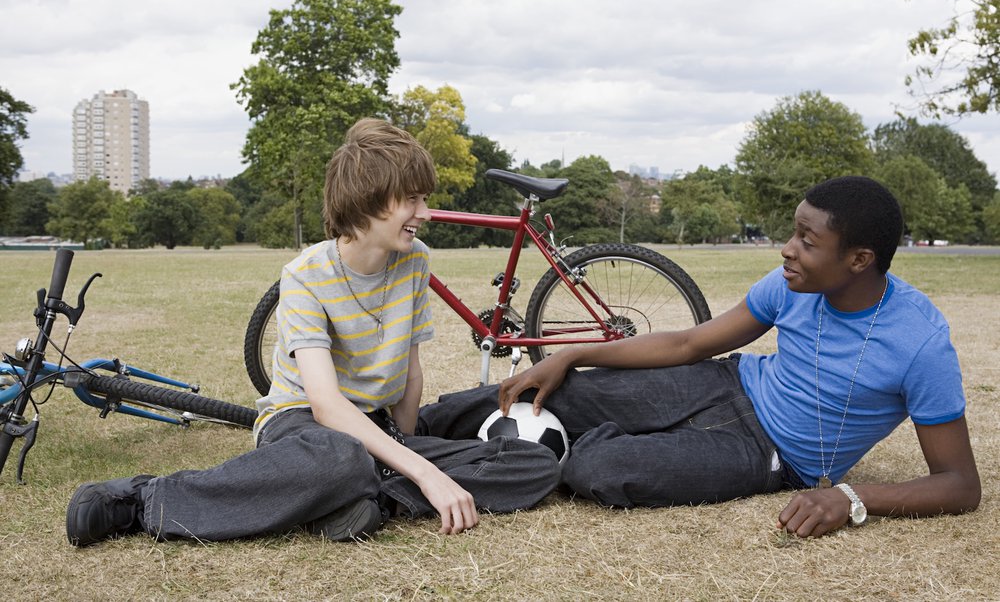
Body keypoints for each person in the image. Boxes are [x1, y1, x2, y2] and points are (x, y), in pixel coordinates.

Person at [66, 119, 560, 547]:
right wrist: (425, 472)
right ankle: (143, 500)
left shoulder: (415, 260)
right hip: (304, 426)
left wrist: (409, 449)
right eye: (411, 200)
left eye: (424, 199)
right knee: (340, 458)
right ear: (368, 200)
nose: (425, 214)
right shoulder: (304, 276)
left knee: (532, 463)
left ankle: (368, 501)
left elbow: (410, 368)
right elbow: (324, 405)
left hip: (379, 428)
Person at [417, 176, 980, 538]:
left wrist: (854, 498)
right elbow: (690, 344)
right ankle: (392, 435)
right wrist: (573, 355)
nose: (787, 249)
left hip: (772, 455)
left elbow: (959, 484)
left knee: (602, 470)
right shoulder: (791, 283)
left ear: (859, 259)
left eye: (807, 241)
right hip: (722, 383)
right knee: (551, 391)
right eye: (793, 233)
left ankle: (475, 464)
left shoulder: (920, 342)